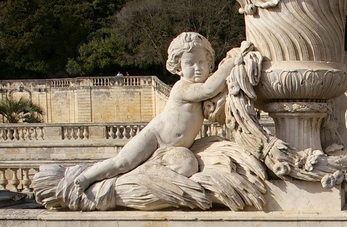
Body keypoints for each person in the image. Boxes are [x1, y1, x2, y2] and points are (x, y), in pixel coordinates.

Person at [70, 32, 241, 197]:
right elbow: (209, 89)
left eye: (202, 62)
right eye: (190, 64)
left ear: (210, 63)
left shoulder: (202, 83)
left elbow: (216, 88)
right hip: (155, 137)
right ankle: (86, 177)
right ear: (179, 68)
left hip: (173, 148)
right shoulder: (183, 88)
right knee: (122, 163)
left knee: (186, 166)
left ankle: (149, 176)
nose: (197, 68)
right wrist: (230, 64)